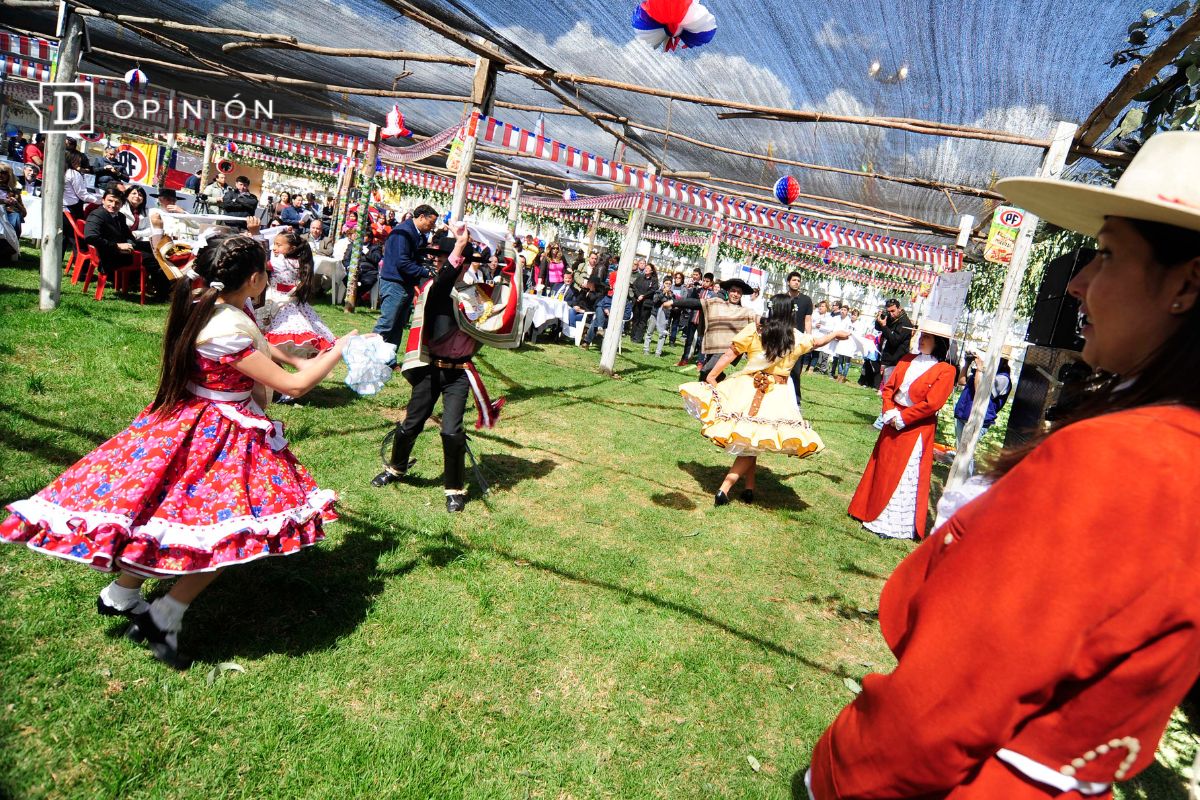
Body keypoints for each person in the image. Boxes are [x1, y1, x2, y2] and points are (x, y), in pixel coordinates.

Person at [805, 129, 1200, 800]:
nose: (1076, 283)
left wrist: (836, 775)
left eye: (1105, 255)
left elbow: (936, 714)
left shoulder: (1126, 460)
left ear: (1187, 285)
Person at [0, 232, 355, 669]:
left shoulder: (212, 304)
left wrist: (298, 357)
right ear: (257, 278)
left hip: (187, 421)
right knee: (229, 531)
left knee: (167, 513)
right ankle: (164, 615)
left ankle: (121, 593)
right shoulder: (225, 327)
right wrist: (337, 351)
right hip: (221, 432)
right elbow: (295, 388)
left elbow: (261, 345)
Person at [372, 225, 505, 513]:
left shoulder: (480, 294)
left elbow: (498, 317)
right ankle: (396, 468)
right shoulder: (437, 287)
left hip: (458, 373)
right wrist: (457, 248)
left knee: (452, 431)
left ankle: (454, 489)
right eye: (440, 258)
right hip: (431, 369)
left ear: (466, 263)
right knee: (411, 424)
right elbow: (445, 281)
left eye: (444, 258)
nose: (438, 262)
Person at [679, 293, 850, 505]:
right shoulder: (796, 337)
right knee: (753, 440)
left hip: (746, 388)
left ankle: (749, 488)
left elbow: (729, 354)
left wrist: (712, 375)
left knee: (753, 440)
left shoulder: (755, 330)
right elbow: (818, 341)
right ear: (790, 314)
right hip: (777, 394)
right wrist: (835, 334)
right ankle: (725, 488)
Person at [847, 319, 956, 540]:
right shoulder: (907, 360)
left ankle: (892, 524)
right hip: (892, 421)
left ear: (938, 342)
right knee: (882, 468)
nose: (922, 339)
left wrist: (904, 417)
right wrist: (888, 411)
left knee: (904, 473)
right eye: (922, 335)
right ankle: (867, 509)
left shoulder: (946, 370)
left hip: (915, 428)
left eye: (927, 337)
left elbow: (932, 404)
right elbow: (888, 388)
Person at [259, 229, 336, 358]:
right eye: (274, 244)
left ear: (292, 248)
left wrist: (256, 235)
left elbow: (259, 264)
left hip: (277, 303)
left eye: (279, 245)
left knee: (269, 337)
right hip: (295, 304)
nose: (274, 248)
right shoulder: (302, 262)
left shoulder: (279, 262)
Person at [666, 278, 758, 382]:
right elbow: (695, 303)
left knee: (706, 371)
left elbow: (759, 320)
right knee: (715, 375)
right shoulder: (716, 303)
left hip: (728, 350)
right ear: (728, 291)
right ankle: (723, 390)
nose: (735, 294)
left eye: (739, 292)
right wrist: (673, 302)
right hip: (713, 346)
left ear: (741, 295)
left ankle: (701, 393)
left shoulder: (745, 312)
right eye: (733, 291)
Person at [375, 203, 437, 349]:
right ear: (422, 217)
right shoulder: (403, 232)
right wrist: (426, 272)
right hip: (394, 283)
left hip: (405, 283)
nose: (432, 226)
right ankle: (370, 357)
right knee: (386, 324)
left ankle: (390, 359)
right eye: (431, 222)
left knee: (398, 326)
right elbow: (402, 262)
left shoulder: (416, 234)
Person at [951, 346, 1013, 473]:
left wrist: (980, 369)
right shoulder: (983, 371)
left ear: (1001, 360)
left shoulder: (1003, 379)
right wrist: (967, 363)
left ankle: (964, 482)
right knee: (960, 451)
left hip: (979, 420)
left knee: (966, 453)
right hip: (964, 415)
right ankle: (957, 481)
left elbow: (980, 392)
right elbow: (962, 381)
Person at [785, 272, 814, 408]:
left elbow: (807, 320)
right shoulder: (781, 299)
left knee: (796, 371)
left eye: (798, 280)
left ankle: (796, 400)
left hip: (798, 340)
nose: (796, 282)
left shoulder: (806, 300)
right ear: (788, 282)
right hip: (782, 338)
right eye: (794, 280)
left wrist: (809, 337)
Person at [875, 298, 914, 386]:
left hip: (896, 359)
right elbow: (878, 328)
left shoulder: (905, 323)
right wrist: (879, 320)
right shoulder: (891, 318)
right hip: (887, 357)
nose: (891, 314)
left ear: (899, 308)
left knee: (889, 387)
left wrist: (884, 326)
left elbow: (894, 341)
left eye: (893, 311)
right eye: (888, 312)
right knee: (884, 384)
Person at [63, 151, 100, 222]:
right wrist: (98, 201)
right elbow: (82, 195)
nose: (79, 163)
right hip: (71, 208)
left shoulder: (61, 171)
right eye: (78, 161)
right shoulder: (73, 173)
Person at [643, 276, 674, 357]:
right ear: (663, 284)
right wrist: (663, 292)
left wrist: (670, 296)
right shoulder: (658, 292)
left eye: (669, 284)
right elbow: (655, 300)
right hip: (655, 314)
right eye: (666, 283)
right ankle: (646, 349)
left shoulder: (671, 294)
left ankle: (658, 352)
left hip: (664, 317)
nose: (668, 285)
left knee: (662, 335)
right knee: (649, 332)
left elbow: (672, 305)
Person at [630, 259, 658, 343]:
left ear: (651, 271)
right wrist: (638, 295)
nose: (646, 269)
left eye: (648, 268)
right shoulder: (640, 277)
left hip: (646, 303)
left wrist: (644, 296)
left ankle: (638, 338)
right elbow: (634, 286)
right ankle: (633, 336)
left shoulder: (654, 280)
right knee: (636, 319)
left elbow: (653, 290)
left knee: (643, 320)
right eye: (646, 268)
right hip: (638, 301)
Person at [0, 163, 27, 244]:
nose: (1, 175)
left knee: (16, 216)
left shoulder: (15, 192)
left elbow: (24, 213)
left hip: (8, 217)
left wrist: (16, 204)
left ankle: (11, 244)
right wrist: (4, 201)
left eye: (4, 173)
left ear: (9, 176)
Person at [830, 304, 856, 383]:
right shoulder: (840, 319)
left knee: (845, 361)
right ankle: (836, 374)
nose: (842, 311)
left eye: (845, 310)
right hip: (839, 340)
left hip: (847, 343)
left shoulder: (849, 321)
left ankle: (843, 376)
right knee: (837, 359)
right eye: (842, 309)